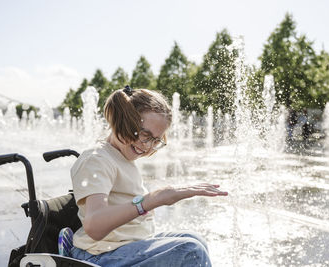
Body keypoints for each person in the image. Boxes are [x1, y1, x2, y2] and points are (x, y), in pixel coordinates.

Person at [70, 85, 228, 267]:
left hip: (124, 247)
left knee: (194, 239)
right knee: (191, 251)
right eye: (145, 135)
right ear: (123, 120)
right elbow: (94, 226)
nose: (147, 146)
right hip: (99, 255)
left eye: (156, 140)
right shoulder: (97, 159)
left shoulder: (122, 158)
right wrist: (151, 201)